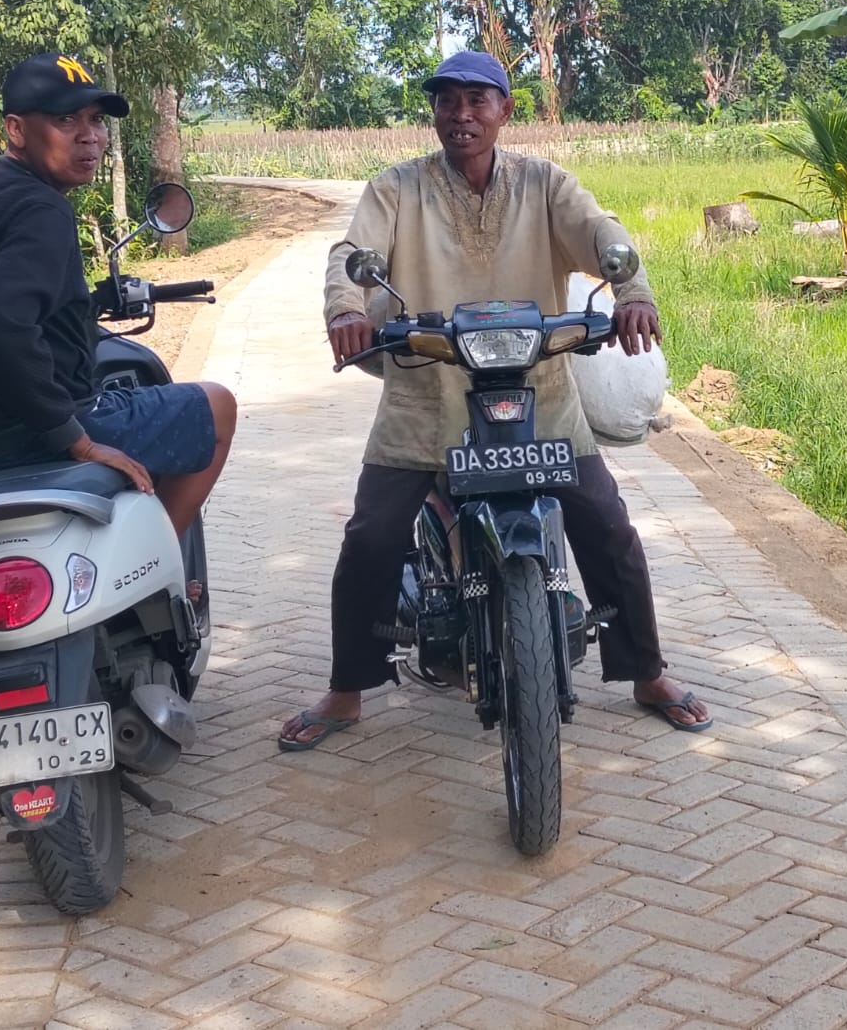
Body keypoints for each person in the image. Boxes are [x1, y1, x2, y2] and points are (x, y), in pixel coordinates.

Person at [278, 51, 710, 749]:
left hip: (540, 399)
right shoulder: (397, 189)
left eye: (478, 100)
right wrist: (346, 309)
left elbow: (601, 232)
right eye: (447, 101)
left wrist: (632, 292)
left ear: (506, 110)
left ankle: (646, 672)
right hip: (427, 399)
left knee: (607, 525)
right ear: (434, 112)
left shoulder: (544, 184)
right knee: (371, 536)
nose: (462, 115)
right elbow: (351, 254)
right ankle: (346, 689)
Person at [0, 52, 238, 802]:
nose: (89, 135)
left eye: (96, 120)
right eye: (66, 121)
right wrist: (77, 438)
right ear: (16, 130)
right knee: (218, 405)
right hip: (39, 437)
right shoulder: (40, 209)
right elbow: (5, 332)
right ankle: (162, 570)